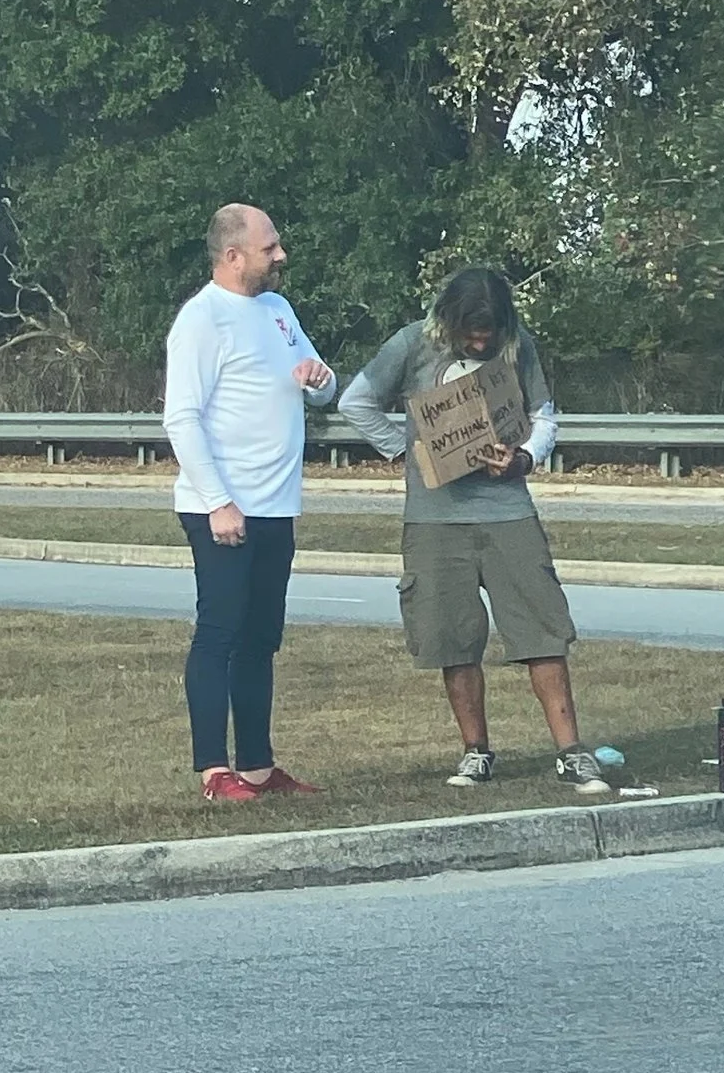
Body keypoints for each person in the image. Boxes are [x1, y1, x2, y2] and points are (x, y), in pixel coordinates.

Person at [335, 263, 611, 795]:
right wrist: (402, 450)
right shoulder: (412, 344)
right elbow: (355, 401)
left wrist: (526, 458)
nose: (482, 341)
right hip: (435, 520)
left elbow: (544, 415)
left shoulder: (517, 344)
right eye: (472, 333)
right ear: (449, 321)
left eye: (490, 331)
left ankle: (571, 752)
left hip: (509, 512)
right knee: (453, 639)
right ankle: (476, 751)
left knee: (543, 632)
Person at [163, 203, 338, 802]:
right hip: (223, 508)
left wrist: (320, 380)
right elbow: (181, 418)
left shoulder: (278, 310)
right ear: (232, 255)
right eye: (270, 248)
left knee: (262, 637)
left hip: (276, 503)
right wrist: (217, 502)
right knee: (220, 632)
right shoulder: (202, 319)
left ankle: (259, 767)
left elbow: (322, 384)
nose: (280, 256)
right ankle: (215, 771)